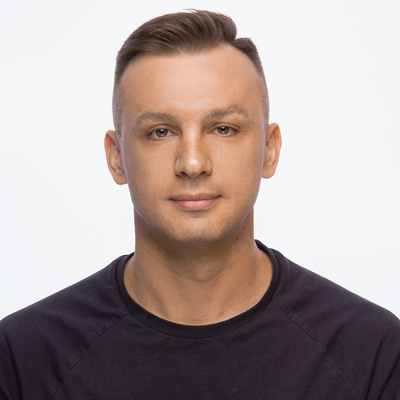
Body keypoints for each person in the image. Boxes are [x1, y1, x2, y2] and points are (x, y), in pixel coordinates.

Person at [0, 9, 399, 400]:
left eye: (223, 129)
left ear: (269, 150)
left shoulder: (372, 353)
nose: (192, 163)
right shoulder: (24, 358)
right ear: (116, 157)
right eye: (160, 132)